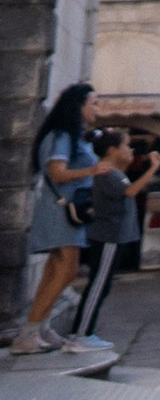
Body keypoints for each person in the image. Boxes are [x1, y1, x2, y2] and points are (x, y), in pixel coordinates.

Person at [15, 83, 113, 355]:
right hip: (61, 209)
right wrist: (96, 169)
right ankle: (29, 333)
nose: (97, 109)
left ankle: (38, 327)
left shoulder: (72, 135)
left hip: (63, 208)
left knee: (53, 270)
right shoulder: (63, 136)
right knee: (67, 269)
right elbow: (58, 173)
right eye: (93, 103)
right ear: (78, 105)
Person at [68, 130, 159, 350]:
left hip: (112, 236)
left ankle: (83, 332)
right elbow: (130, 191)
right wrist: (154, 167)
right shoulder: (107, 173)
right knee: (98, 285)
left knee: (102, 285)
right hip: (108, 236)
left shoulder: (115, 172)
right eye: (126, 146)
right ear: (111, 150)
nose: (130, 150)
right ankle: (81, 335)